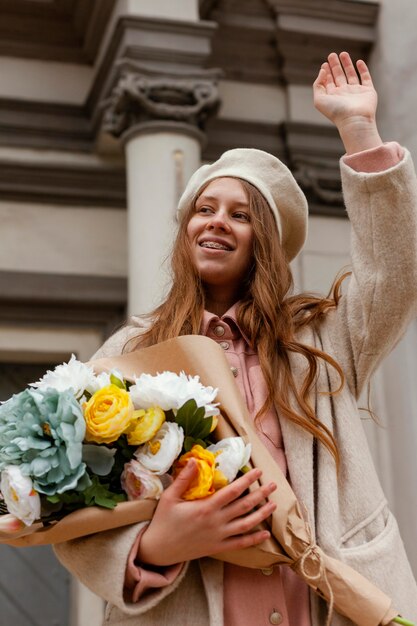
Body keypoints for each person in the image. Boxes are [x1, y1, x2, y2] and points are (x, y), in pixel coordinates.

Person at [54, 52, 417, 626]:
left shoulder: (321, 341)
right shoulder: (129, 353)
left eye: (241, 215)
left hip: (332, 605)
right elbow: (72, 497)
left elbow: (395, 272)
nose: (217, 221)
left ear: (264, 244)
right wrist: (155, 546)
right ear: (187, 231)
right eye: (205, 209)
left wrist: (358, 130)